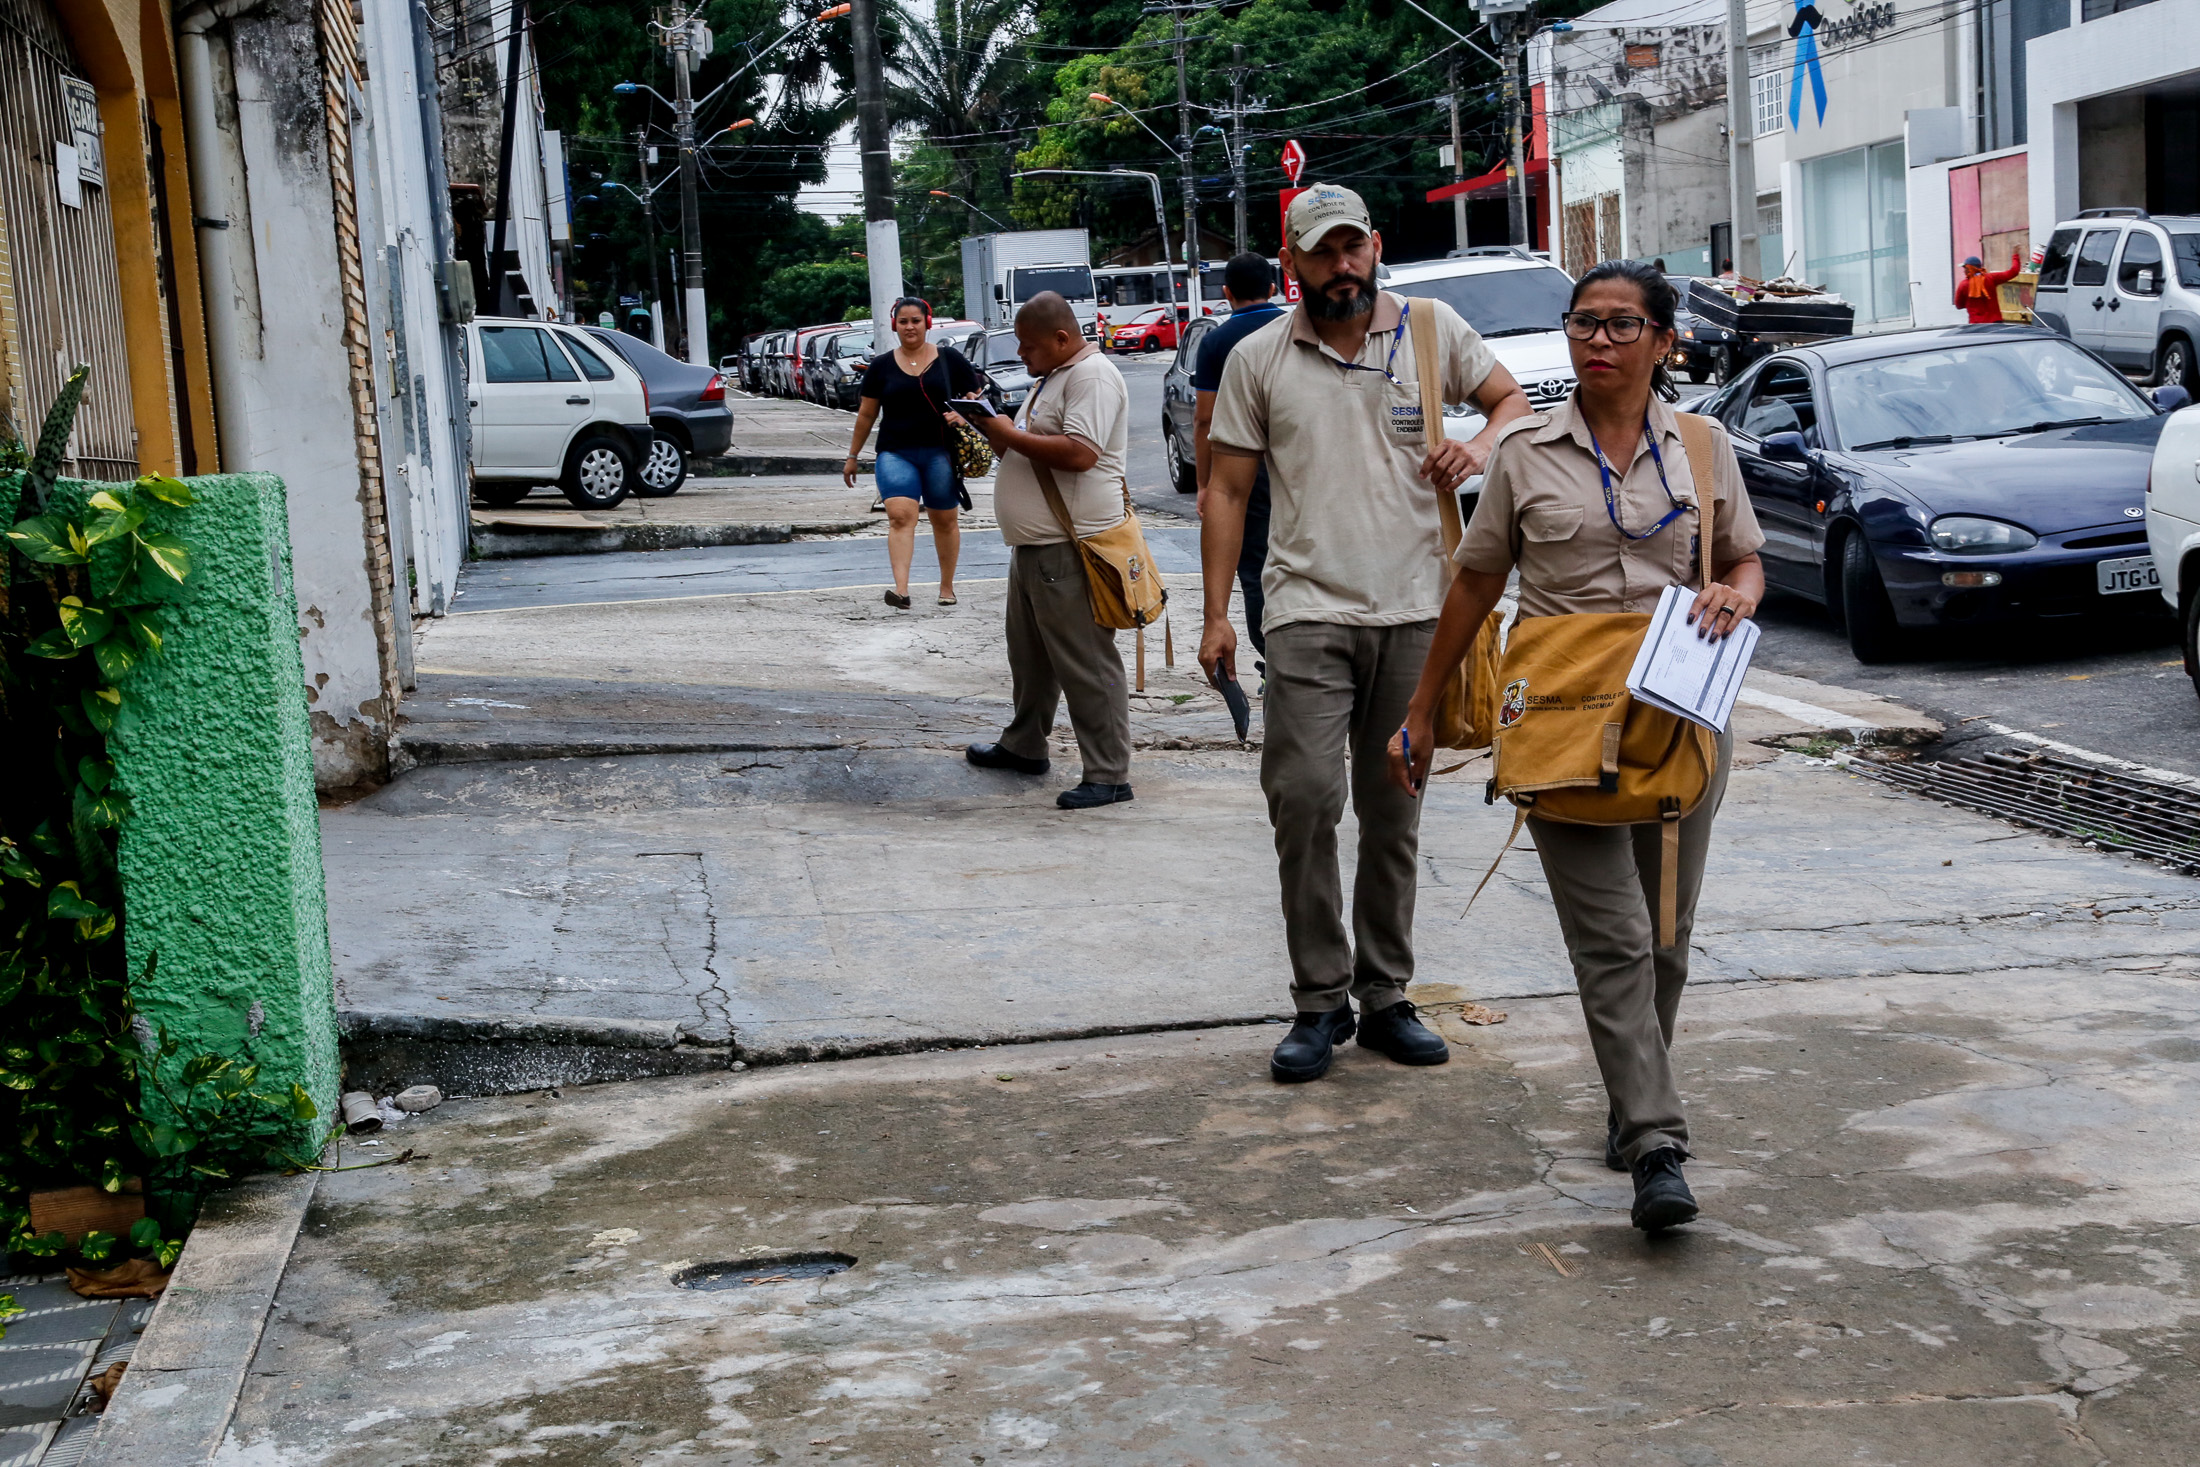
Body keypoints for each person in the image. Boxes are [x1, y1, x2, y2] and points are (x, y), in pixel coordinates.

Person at [1390, 259, 1767, 1232]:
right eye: (1583, 322)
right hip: (1559, 718)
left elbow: (1742, 558)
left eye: (1621, 324)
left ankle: (1634, 1099)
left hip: (1678, 714)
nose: (1598, 340)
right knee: (1612, 941)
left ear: (1662, 340)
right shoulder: (1524, 452)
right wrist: (1423, 710)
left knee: (1666, 940)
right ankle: (1655, 1143)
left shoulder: (1703, 446)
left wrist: (1736, 595)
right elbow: (1477, 582)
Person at [1203, 183, 1533, 1084]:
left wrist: (1479, 445)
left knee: (1394, 813)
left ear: (1375, 247)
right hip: (1305, 609)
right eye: (1322, 251)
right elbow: (1225, 488)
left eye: (1353, 247)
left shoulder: (1431, 331)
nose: (1341, 265)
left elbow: (1513, 404)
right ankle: (1319, 998)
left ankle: (1385, 992)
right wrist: (1217, 613)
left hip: (1420, 610)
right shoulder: (1259, 357)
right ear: (1293, 262)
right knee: (1306, 799)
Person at [959, 292, 1136, 811]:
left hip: (1070, 546)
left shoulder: (1092, 376)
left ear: (1061, 338)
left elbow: (1080, 454)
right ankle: (1024, 743)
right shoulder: (1054, 376)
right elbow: (1024, 452)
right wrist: (990, 426)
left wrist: (1006, 431)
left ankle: (1108, 772)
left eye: (1028, 345)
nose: (1020, 354)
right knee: (1031, 656)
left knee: (1085, 661)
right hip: (1036, 546)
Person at [845, 298, 985, 608]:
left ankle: (947, 587)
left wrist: (964, 416)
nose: (910, 327)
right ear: (894, 325)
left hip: (940, 452)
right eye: (903, 321)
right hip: (895, 452)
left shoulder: (949, 359)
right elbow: (866, 414)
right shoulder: (881, 366)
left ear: (927, 323)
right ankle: (901, 590)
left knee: (944, 520)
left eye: (916, 321)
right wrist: (852, 456)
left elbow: (978, 401)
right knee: (900, 517)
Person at [1193, 253, 1287, 658]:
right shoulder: (1294, 328)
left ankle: (1271, 660)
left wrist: (1204, 483)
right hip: (1295, 461)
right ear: (1273, 288)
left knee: (1255, 566)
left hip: (1245, 469)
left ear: (1226, 293)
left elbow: (1205, 418)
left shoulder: (1215, 341)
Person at [1956, 250, 2024, 324]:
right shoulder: (1991, 278)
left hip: (1976, 324)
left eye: (1965, 268)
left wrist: (1971, 303)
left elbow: (1959, 305)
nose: (1964, 271)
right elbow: (2013, 272)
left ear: (1969, 269)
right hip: (1995, 323)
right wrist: (2015, 256)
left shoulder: (1963, 285)